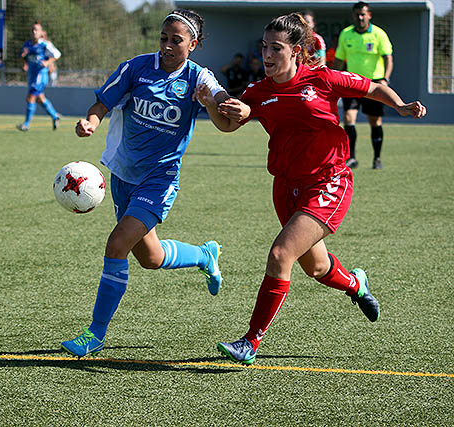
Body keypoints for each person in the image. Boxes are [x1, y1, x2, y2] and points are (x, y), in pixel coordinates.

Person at [213, 13, 425, 364]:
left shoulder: (322, 78)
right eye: (264, 47)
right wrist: (220, 106)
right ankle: (357, 285)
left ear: (296, 51)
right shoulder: (259, 90)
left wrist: (399, 105)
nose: (266, 55)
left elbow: (372, 86)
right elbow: (232, 123)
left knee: (281, 255)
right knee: (316, 268)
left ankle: (250, 341)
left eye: (276, 48)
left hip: (329, 181)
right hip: (286, 186)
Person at [61, 9, 248, 358]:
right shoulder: (136, 67)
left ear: (193, 44)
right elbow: (103, 101)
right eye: (163, 38)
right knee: (150, 256)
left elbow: (220, 99)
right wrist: (90, 122)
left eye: (176, 40)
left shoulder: (197, 77)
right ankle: (205, 255)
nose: (167, 45)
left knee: (116, 245)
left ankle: (95, 334)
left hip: (159, 179)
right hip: (123, 175)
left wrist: (228, 105)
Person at [334, 2, 394, 170]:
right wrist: (332, 79)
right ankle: (351, 157)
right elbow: (339, 58)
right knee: (348, 118)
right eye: (357, 15)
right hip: (351, 83)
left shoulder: (378, 34)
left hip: (374, 85)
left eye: (363, 14)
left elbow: (388, 58)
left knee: (374, 121)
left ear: (369, 15)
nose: (360, 17)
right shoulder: (346, 34)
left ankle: (377, 158)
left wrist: (385, 79)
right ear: (353, 16)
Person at [17, 22, 62, 132]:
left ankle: (26, 124)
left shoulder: (45, 44)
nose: (34, 32)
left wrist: (48, 62)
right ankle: (55, 116)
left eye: (36, 30)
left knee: (30, 98)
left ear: (41, 32)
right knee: (40, 99)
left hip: (40, 76)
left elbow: (57, 54)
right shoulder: (27, 45)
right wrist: (24, 62)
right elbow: (24, 58)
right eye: (33, 29)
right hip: (31, 75)